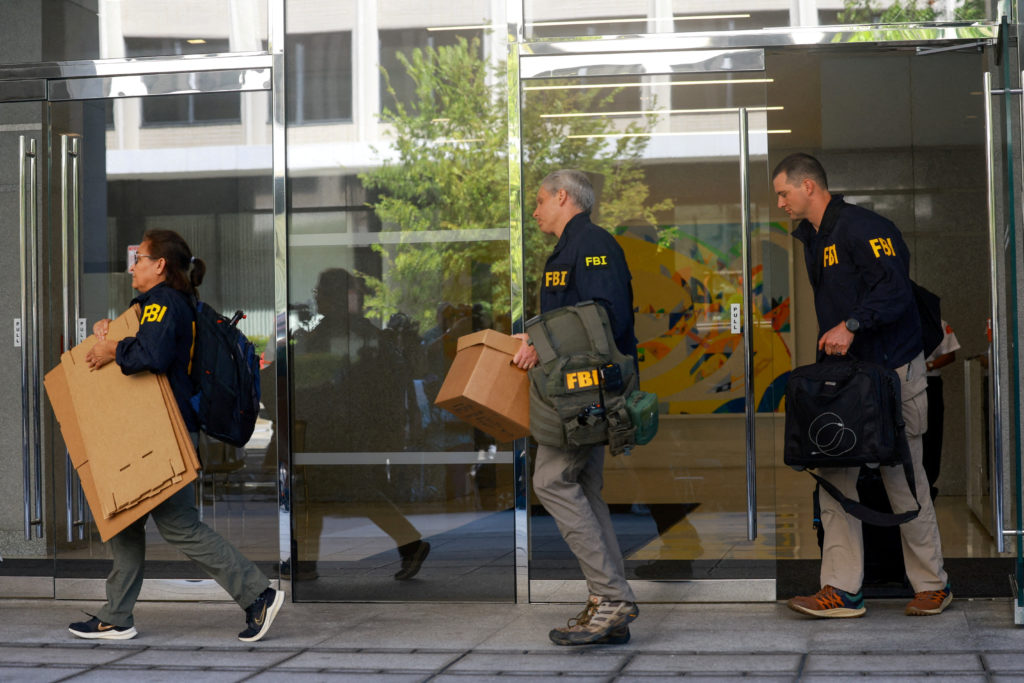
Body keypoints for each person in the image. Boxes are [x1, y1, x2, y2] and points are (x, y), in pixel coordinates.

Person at [69, 229, 283, 641]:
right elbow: (151, 345)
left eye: (140, 259)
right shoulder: (166, 304)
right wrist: (110, 333)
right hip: (160, 430)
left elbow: (153, 355)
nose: (133, 267)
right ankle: (116, 614)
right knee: (127, 520)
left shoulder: (164, 302)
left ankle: (258, 595)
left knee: (178, 526)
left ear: (160, 265)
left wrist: (113, 350)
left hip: (163, 433)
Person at [772, 153, 951, 618]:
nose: (780, 203)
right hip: (849, 379)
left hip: (892, 372)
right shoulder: (815, 237)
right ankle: (841, 589)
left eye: (783, 193)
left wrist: (852, 323)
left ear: (809, 186)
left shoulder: (863, 226)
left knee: (903, 479)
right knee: (835, 478)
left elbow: (893, 290)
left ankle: (933, 585)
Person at [513, 169, 639, 645]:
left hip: (589, 395)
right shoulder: (570, 247)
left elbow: (607, 317)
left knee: (549, 480)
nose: (535, 210)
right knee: (584, 488)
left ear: (562, 197)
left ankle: (611, 598)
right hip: (575, 394)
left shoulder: (594, 244)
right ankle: (610, 603)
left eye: (540, 201)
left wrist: (541, 343)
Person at [923, 320, 960, 500]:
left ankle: (928, 484)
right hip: (901, 384)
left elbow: (950, 353)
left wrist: (928, 366)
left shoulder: (937, 321)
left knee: (932, 434)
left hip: (930, 382)